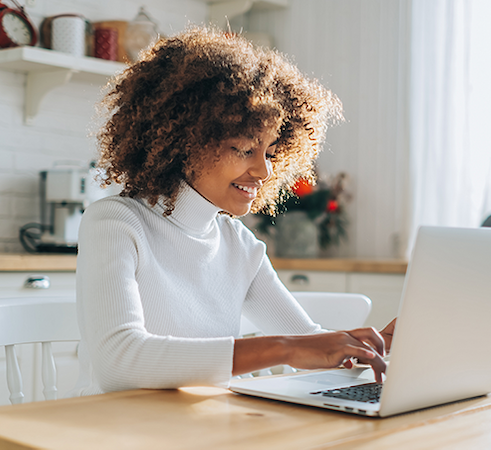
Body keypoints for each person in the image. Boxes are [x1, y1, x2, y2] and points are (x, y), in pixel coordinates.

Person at [72, 26, 395, 396]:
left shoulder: (238, 243)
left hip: (200, 428)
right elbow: (120, 362)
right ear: (185, 143)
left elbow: (307, 341)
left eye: (271, 153)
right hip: (113, 430)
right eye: (245, 149)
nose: (264, 171)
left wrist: (369, 346)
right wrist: (284, 348)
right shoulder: (116, 223)